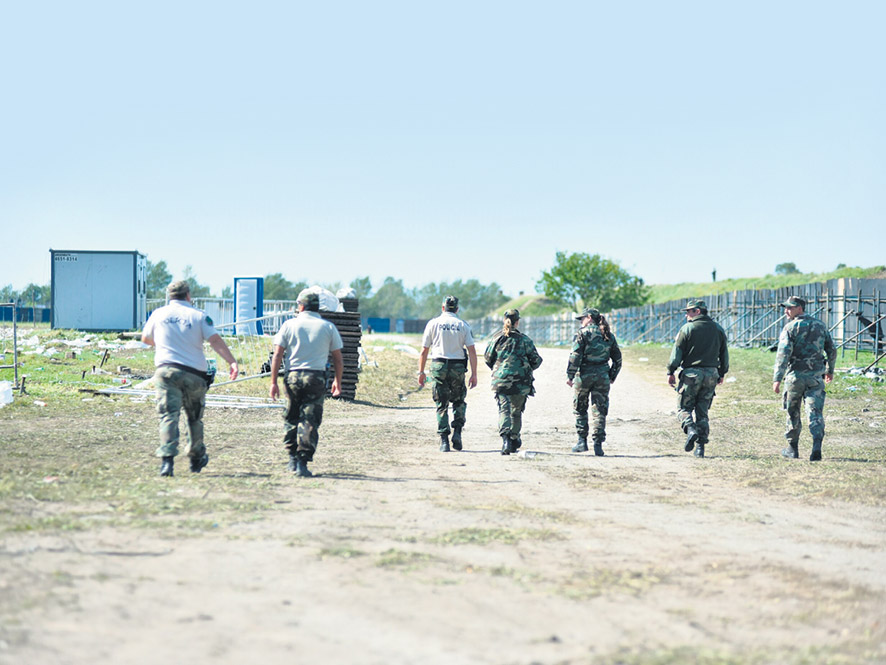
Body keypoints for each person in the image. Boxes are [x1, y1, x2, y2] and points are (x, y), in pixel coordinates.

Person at [142, 280, 239, 477]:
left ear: (170, 296)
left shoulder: (158, 314)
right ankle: (196, 457)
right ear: (188, 295)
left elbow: (145, 338)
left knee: (169, 415)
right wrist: (232, 362)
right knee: (194, 418)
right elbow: (215, 340)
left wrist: (163, 343)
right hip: (194, 373)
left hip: (166, 371)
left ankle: (167, 462)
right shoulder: (198, 316)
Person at [269, 290, 343, 477]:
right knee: (310, 419)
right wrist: (337, 381)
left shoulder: (289, 325)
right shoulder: (328, 327)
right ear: (317, 307)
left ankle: (292, 458)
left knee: (292, 416)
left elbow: (278, 354)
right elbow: (338, 358)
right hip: (316, 378)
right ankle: (302, 461)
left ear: (301, 306)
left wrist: (273, 382)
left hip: (293, 377)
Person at [773, 295, 836, 461]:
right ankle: (816, 446)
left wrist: (777, 378)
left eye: (790, 307)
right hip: (815, 378)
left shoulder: (790, 327)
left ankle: (792, 449)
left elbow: (783, 354)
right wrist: (830, 370)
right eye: (786, 307)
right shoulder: (820, 326)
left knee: (793, 412)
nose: (786, 311)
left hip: (795, 377)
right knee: (815, 412)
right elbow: (832, 349)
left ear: (800, 308)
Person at [666, 299, 729, 458]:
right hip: (711, 375)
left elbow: (677, 353)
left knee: (683, 408)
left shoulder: (687, 329)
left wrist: (671, 371)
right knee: (703, 411)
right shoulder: (718, 329)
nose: (686, 314)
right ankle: (700, 448)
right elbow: (724, 354)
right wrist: (722, 373)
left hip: (691, 375)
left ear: (698, 311)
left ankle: (690, 429)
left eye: (689, 311)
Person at [418, 295, 478, 452]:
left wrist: (421, 372)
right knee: (458, 401)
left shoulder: (433, 324)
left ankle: (444, 441)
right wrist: (474, 374)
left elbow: (424, 350)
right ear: (457, 309)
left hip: (438, 366)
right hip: (458, 367)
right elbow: (472, 351)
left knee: (441, 403)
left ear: (442, 307)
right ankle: (457, 432)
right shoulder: (462, 325)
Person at [484, 309, 543, 455]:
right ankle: (514, 438)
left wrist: (498, 368)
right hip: (520, 381)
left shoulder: (496, 338)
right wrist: (525, 368)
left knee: (504, 410)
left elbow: (487, 358)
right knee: (516, 412)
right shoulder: (524, 340)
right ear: (517, 322)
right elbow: (536, 360)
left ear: (504, 320)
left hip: (501, 380)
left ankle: (505, 441)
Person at [566, 307, 622, 456]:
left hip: (583, 376)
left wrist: (570, 375)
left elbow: (575, 356)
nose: (581, 322)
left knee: (580, 408)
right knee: (600, 410)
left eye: (582, 318)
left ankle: (582, 442)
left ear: (589, 317)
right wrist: (611, 375)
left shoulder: (582, 334)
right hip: (602, 376)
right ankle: (598, 444)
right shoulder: (608, 335)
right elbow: (618, 359)